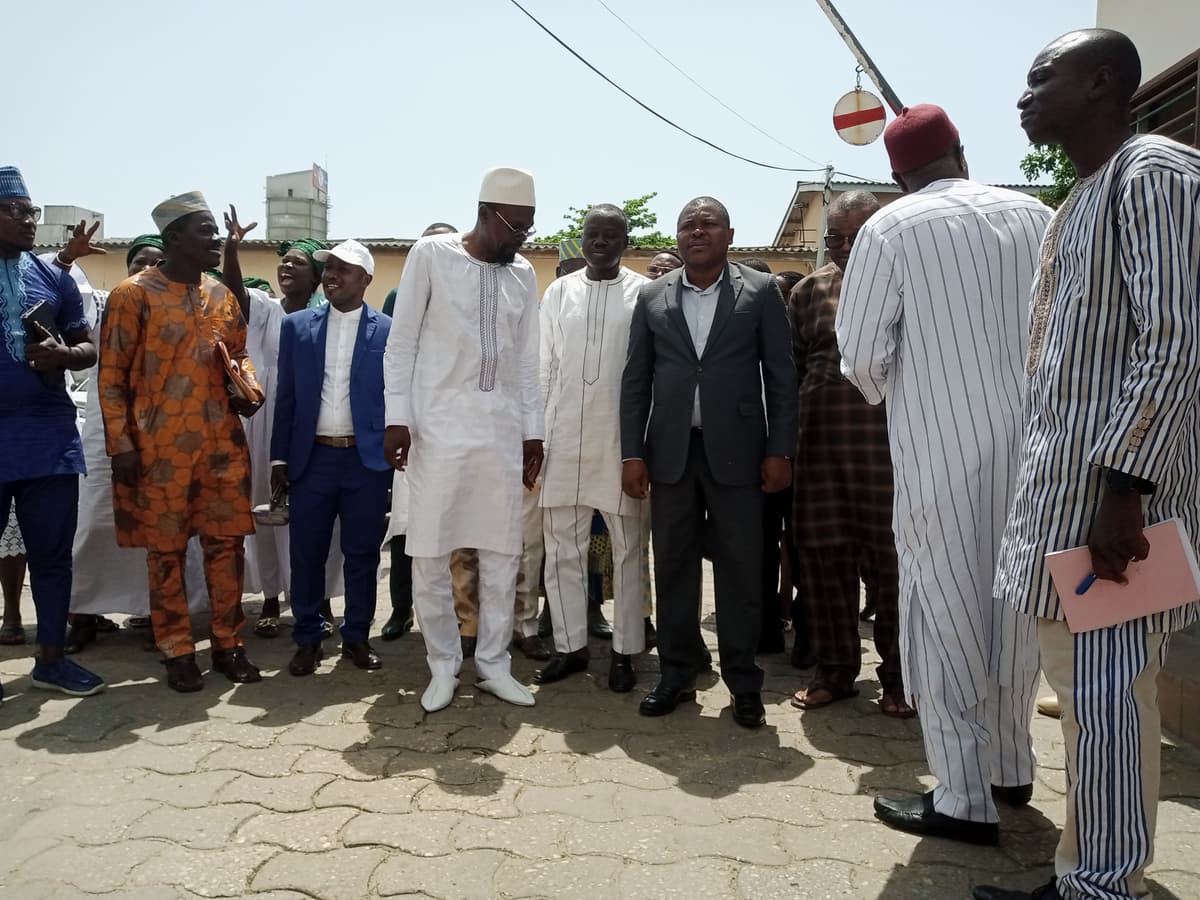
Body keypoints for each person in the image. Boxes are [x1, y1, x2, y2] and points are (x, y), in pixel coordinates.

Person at [976, 29, 1200, 900]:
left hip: (1115, 512)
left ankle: (1102, 888)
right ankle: (1092, 873)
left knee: (1106, 699)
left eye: (1041, 79)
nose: (1024, 97)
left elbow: (1176, 341)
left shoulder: (1155, 173)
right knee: (1092, 700)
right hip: (1072, 504)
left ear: (1102, 81)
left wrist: (1126, 491)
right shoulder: (1084, 198)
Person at [836, 105, 1051, 845]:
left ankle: (963, 797)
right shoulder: (1037, 214)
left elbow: (861, 358)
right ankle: (1012, 766)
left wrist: (910, 380)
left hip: (941, 453)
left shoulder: (890, 229)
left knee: (942, 613)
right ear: (961, 149)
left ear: (896, 175)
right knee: (1018, 607)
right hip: (1038, 452)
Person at [620, 196, 798, 728]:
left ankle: (744, 682)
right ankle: (676, 673)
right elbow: (635, 381)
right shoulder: (652, 296)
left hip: (741, 453)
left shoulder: (761, 291)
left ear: (728, 233)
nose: (697, 232)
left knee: (742, 570)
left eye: (708, 224)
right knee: (673, 564)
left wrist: (779, 449)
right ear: (678, 237)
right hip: (670, 452)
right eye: (688, 226)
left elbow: (782, 379)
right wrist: (632, 452)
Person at [384, 166, 543, 713]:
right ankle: (443, 665)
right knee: (430, 552)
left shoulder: (522, 273)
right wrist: (396, 417)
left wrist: (533, 432)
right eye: (516, 226)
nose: (523, 238)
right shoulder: (431, 256)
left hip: (499, 434)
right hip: (436, 431)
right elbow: (401, 342)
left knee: (501, 553)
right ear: (485, 214)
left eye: (529, 227)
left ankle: (494, 665)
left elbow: (526, 360)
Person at [99, 191, 263, 693]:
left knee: (225, 546)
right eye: (205, 231)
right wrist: (121, 446)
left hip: (220, 446)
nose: (214, 239)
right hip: (159, 450)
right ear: (173, 239)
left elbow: (239, 355)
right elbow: (111, 377)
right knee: (166, 553)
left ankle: (228, 644)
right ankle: (175, 649)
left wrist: (250, 388)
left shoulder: (221, 295)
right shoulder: (132, 295)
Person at [787, 191, 910, 718]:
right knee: (823, 566)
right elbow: (790, 370)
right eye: (834, 237)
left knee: (893, 573)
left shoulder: (910, 286)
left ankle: (901, 679)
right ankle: (834, 673)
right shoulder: (809, 292)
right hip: (819, 453)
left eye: (854, 236)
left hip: (889, 456)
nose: (842, 246)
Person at [67, 235, 211, 650]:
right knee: (94, 523)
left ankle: (158, 614)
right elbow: (63, 289)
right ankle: (84, 613)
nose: (147, 269)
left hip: (165, 436)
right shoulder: (103, 303)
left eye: (156, 262)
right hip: (104, 436)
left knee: (164, 530)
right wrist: (66, 258)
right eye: (139, 262)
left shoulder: (179, 308)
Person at [0, 165, 106, 698]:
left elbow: (88, 347)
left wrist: (64, 355)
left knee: (52, 554)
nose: (28, 221)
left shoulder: (52, 276)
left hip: (47, 437)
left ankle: (51, 659)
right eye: (16, 211)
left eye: (32, 212)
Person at [535, 205, 649, 691]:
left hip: (620, 443)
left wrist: (641, 448)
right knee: (562, 549)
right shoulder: (559, 291)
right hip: (563, 440)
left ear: (625, 241)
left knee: (626, 550)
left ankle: (625, 651)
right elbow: (543, 367)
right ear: (581, 240)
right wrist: (537, 437)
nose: (600, 242)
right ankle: (570, 647)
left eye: (611, 235)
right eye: (592, 234)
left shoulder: (645, 293)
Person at [271, 240, 393, 677]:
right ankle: (307, 638)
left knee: (362, 554)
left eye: (344, 269)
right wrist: (278, 460)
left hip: (366, 463)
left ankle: (357, 637)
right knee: (307, 554)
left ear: (366, 279)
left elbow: (397, 397)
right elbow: (286, 397)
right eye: (329, 268)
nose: (332, 275)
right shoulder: (298, 326)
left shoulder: (388, 330)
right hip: (312, 459)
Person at [248, 236, 342, 638]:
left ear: (317, 278)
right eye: (283, 262)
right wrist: (233, 251)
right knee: (265, 510)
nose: (286, 268)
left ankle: (317, 598)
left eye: (297, 264)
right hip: (263, 420)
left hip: (309, 423)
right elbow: (234, 290)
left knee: (317, 519)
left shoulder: (326, 318)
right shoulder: (267, 311)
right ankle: (271, 597)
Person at [381, 222, 460, 642]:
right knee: (406, 524)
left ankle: (453, 615)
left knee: (453, 527)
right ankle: (400, 608)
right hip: (413, 424)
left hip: (455, 426)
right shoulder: (400, 295)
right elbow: (398, 354)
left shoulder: (467, 288)